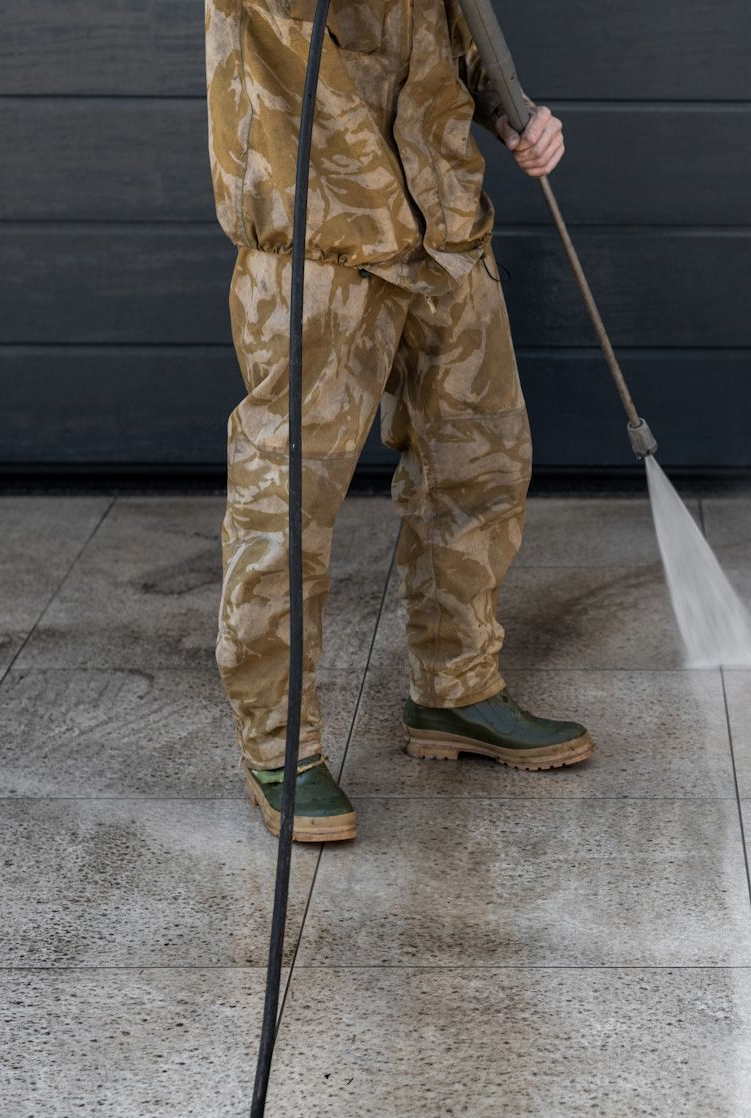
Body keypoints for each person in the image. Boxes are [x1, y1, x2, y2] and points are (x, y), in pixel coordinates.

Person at [205, 0, 592, 842]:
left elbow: (456, 23)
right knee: (289, 498)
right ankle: (279, 747)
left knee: (479, 459)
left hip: (444, 213)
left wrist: (510, 111)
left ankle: (457, 691)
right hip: (323, 232)